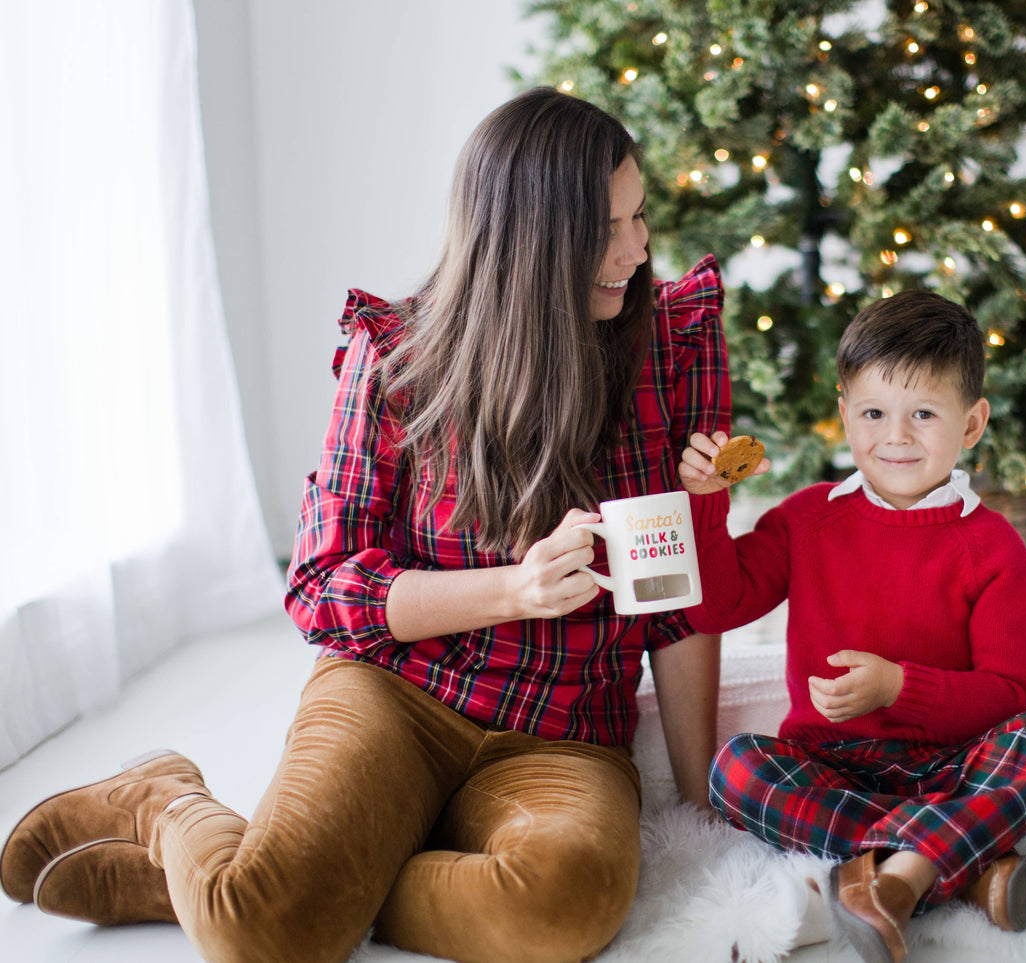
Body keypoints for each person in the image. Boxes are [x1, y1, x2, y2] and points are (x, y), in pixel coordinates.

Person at [1, 87, 729, 963]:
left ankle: (307, 878)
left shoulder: (674, 344)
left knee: (561, 908)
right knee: (257, 932)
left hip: (565, 725)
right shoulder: (399, 360)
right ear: (533, 244)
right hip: (398, 693)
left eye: (639, 214)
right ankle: (164, 802)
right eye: (609, 227)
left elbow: (680, 600)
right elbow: (321, 586)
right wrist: (514, 588)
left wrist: (697, 812)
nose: (639, 246)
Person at [678, 290, 1026, 963]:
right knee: (734, 768)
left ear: (970, 423)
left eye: (924, 414)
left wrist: (898, 687)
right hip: (831, 765)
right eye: (874, 412)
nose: (896, 436)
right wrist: (707, 506)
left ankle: (889, 873)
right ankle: (960, 869)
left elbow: (1012, 695)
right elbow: (715, 608)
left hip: (957, 767)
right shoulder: (806, 518)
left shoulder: (992, 547)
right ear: (845, 414)